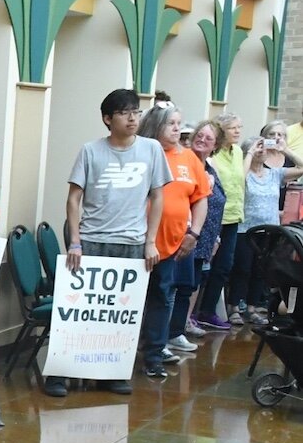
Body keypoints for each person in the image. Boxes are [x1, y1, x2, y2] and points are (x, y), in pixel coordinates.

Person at [48, 87, 169, 398]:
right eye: (124, 112)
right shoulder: (91, 150)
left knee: (120, 314)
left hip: (131, 242)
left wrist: (150, 241)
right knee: (77, 311)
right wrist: (75, 241)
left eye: (136, 112)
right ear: (107, 118)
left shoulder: (152, 149)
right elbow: (74, 198)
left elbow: (157, 197)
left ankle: (110, 373)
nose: (132, 118)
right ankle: (60, 373)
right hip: (91, 239)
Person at [137, 103, 209, 378]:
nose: (178, 128)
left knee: (162, 296)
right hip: (136, 240)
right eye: (171, 123)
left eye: (179, 123)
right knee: (131, 299)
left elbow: (200, 198)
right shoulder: (143, 152)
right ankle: (119, 353)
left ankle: (154, 354)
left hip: (171, 242)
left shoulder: (189, 158)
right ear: (156, 126)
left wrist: (194, 233)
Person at [229, 121, 303, 328]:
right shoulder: (245, 172)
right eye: (258, 147)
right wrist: (250, 153)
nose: (263, 150)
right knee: (242, 269)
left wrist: (285, 149)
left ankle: (252, 308)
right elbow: (239, 181)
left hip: (270, 230)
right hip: (246, 230)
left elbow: (301, 167)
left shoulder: (274, 174)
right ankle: (234, 307)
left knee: (261, 270)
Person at [195, 111, 246, 331]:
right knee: (204, 266)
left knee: (224, 267)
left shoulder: (237, 152)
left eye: (239, 127)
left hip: (233, 216)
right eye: (234, 127)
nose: (238, 132)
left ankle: (208, 311)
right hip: (213, 218)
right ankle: (193, 312)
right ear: (222, 129)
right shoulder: (213, 157)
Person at [184, 119, 226, 338]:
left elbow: (217, 203)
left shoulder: (210, 167)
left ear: (215, 145)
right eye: (199, 135)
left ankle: (186, 320)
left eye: (208, 138)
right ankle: (175, 326)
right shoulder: (186, 163)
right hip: (187, 235)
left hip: (207, 235)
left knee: (196, 279)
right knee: (183, 282)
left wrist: (216, 237)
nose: (202, 139)